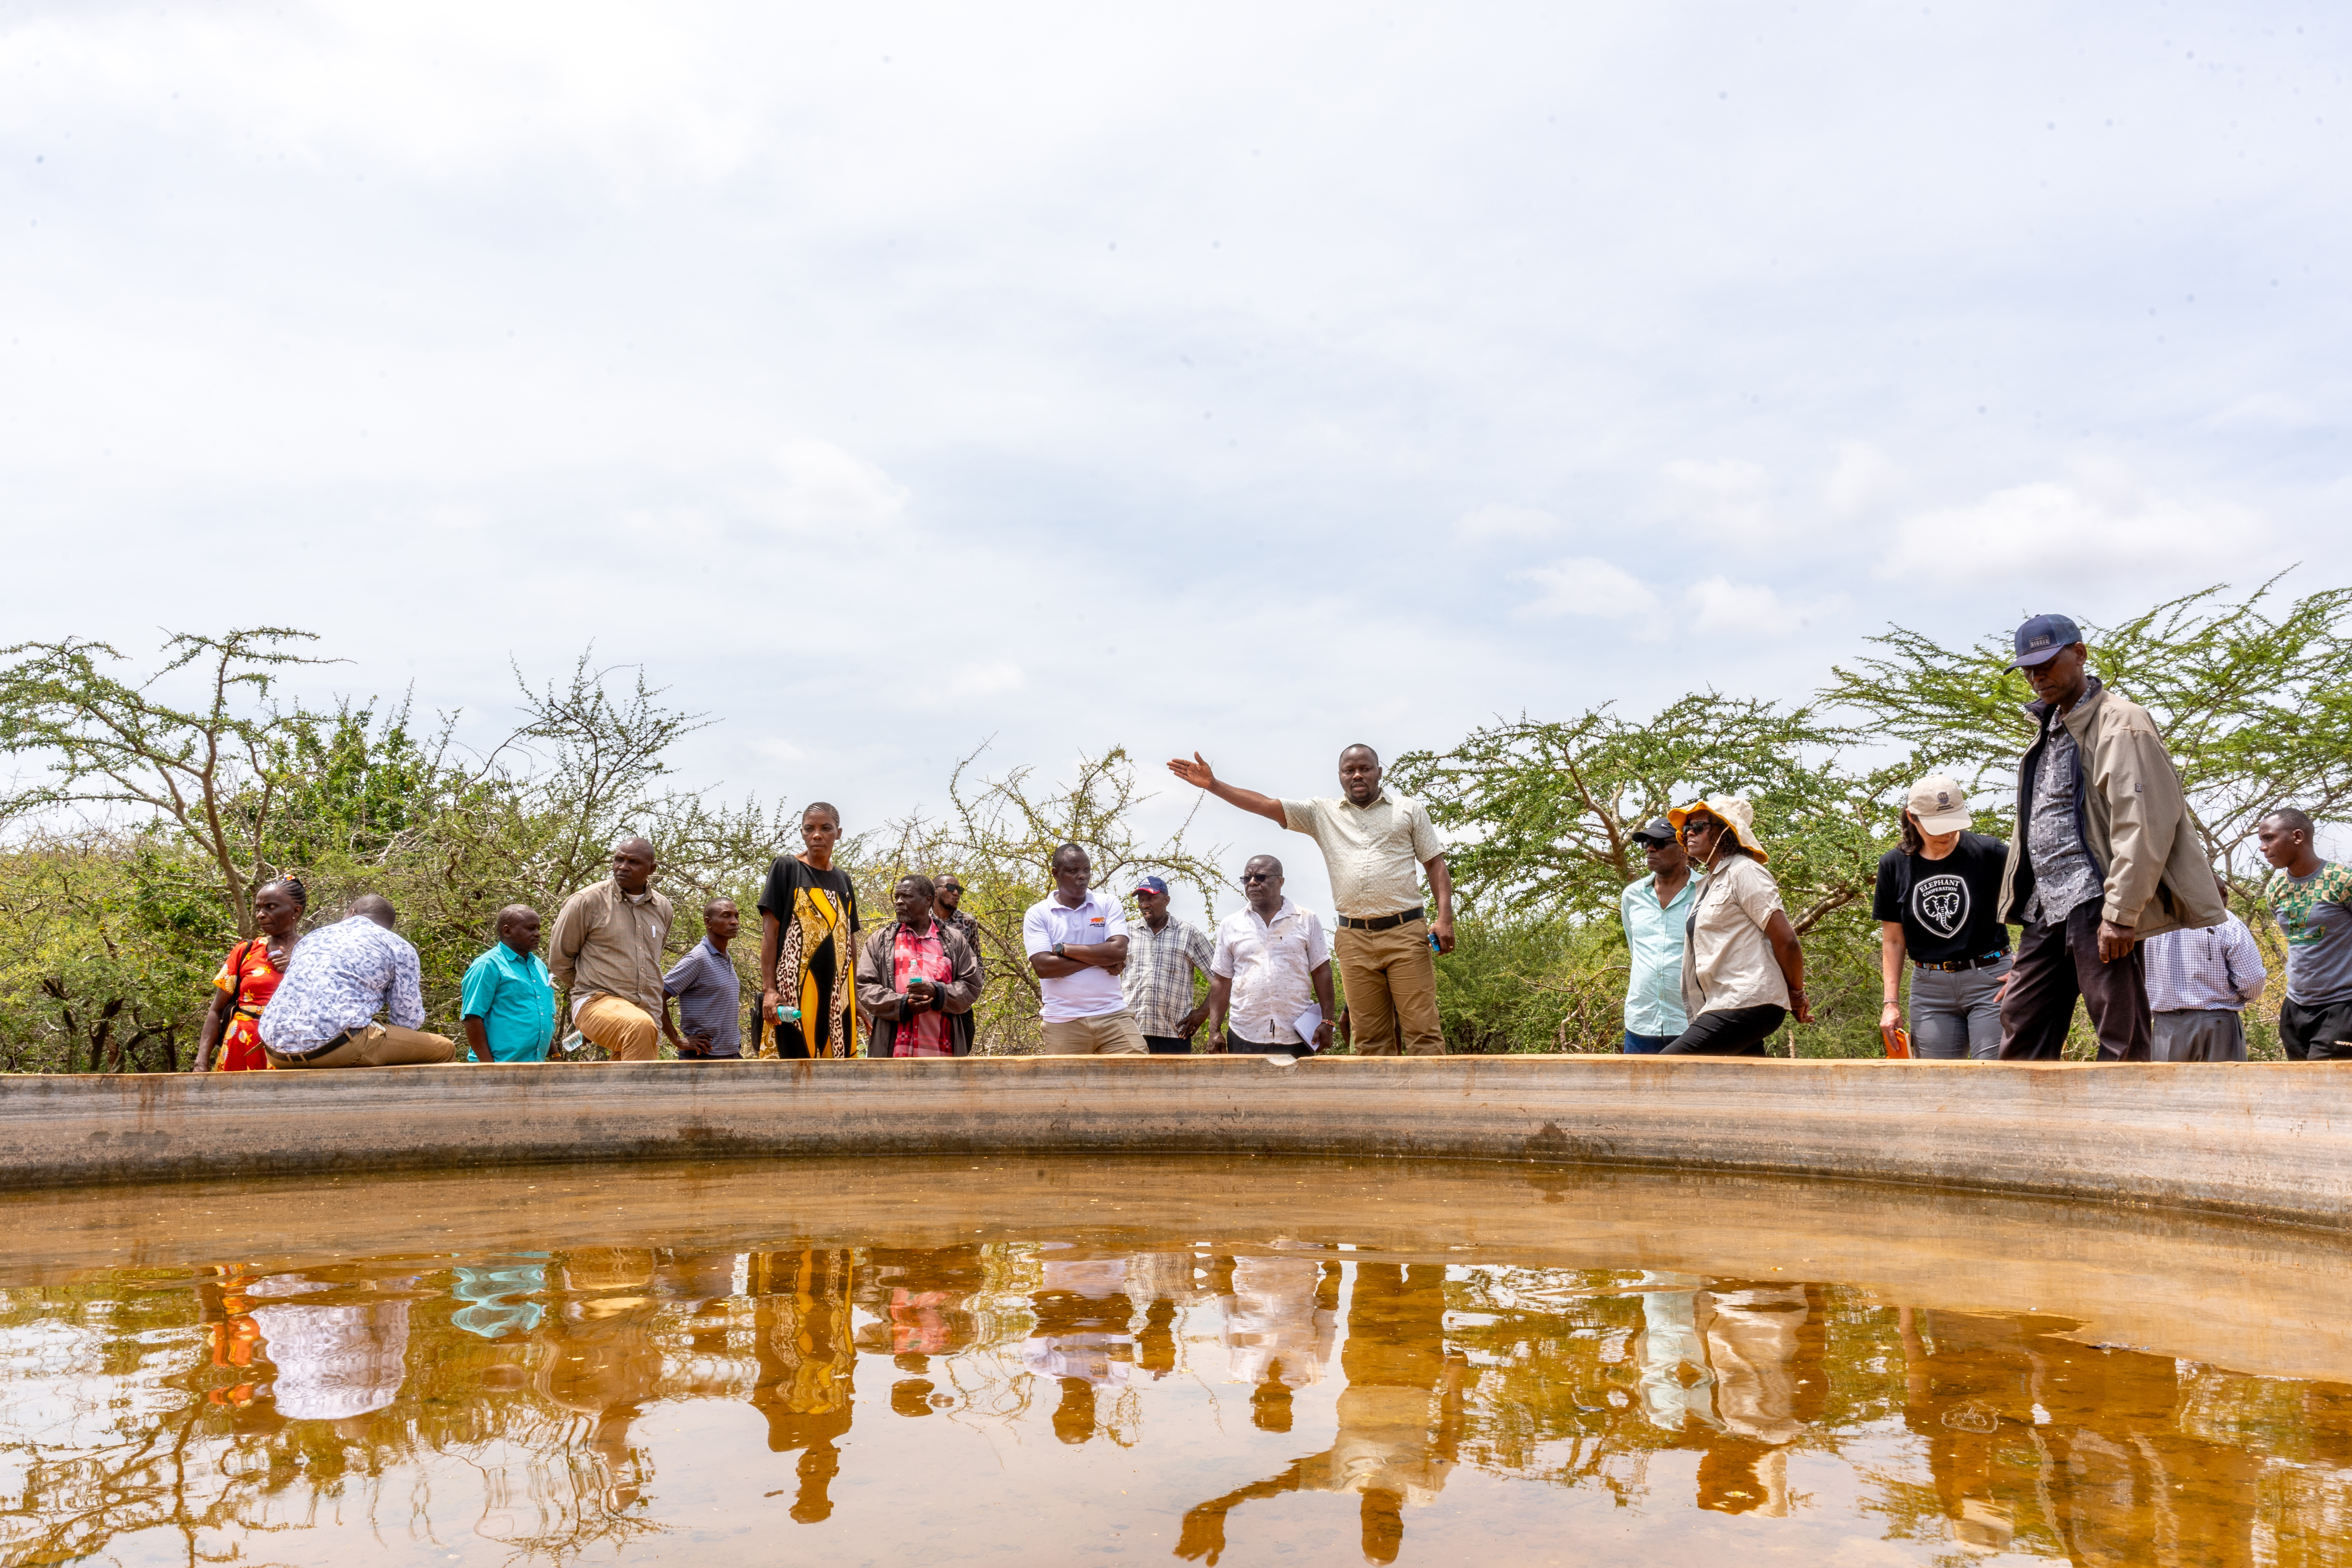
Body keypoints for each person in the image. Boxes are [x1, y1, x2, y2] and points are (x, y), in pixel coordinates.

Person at [1994, 614, 2226, 1061]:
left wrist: (2121, 913)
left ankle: (2126, 1128)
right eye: (2027, 668)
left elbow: (2142, 823)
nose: (2036, 676)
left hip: (2095, 898)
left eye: (2046, 662)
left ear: (2079, 654)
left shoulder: (2123, 722)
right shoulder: (2050, 725)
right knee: (2021, 1024)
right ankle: (2027, 1128)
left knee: (2119, 1031)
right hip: (2047, 901)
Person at [1168, 744, 1452, 1056]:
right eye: (1349, 770)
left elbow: (1435, 864)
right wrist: (1214, 785)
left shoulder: (1408, 810)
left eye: (1365, 769)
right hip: (1354, 937)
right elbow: (1265, 805)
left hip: (1405, 930)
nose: (1357, 775)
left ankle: (1431, 1106)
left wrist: (1444, 918)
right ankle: (1381, 1106)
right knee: (1369, 1039)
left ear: (1379, 772)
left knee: (1422, 1032)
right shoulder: (1323, 813)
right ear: (1340, 776)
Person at [1873, 776, 2013, 1061]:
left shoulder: (1991, 853)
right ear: (1913, 818)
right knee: (1938, 1084)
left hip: (1992, 980)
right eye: (1937, 827)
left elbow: (2039, 908)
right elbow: (1893, 941)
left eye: (1953, 823)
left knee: (1993, 1077)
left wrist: (2026, 968)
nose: (1947, 834)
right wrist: (1891, 1003)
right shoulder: (1894, 865)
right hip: (1930, 989)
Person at [1660, 799, 1811, 1056]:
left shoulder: (1745, 872)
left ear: (1725, 830)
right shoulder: (1708, 885)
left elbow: (1786, 940)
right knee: (1741, 1087)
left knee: (1666, 1067)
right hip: (1723, 1003)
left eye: (1698, 826)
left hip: (1746, 1001)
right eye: (1686, 829)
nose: (1689, 834)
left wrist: (1796, 995)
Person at [257, 894, 458, 1067]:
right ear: (387, 927)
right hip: (336, 1050)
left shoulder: (314, 937)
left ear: (351, 913)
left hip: (274, 1051)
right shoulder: (398, 945)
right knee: (444, 1049)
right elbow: (408, 1020)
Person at [547, 837, 675, 1063]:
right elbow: (560, 960)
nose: (623, 867)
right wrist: (593, 986)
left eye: (633, 862)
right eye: (619, 859)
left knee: (617, 1084)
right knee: (638, 1029)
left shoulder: (663, 907)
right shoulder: (587, 901)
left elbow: (653, 958)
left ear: (652, 869)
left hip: (647, 1011)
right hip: (595, 1002)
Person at [757, 803, 862, 1059]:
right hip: (795, 989)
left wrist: (854, 996)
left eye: (826, 828)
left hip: (839, 993)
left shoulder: (843, 880)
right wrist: (770, 990)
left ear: (838, 833)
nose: (817, 835)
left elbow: (849, 941)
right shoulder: (787, 868)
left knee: (837, 1068)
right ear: (802, 833)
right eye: (810, 829)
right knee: (793, 1065)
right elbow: (770, 934)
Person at [1205, 855, 1337, 1056]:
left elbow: (1321, 971)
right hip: (1244, 1032)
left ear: (1281, 881)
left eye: (1261, 877)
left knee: (1296, 1089)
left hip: (1298, 1033)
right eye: (1246, 879)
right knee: (1247, 1089)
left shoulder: (1306, 920)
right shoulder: (1230, 925)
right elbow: (1222, 980)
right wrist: (1214, 1031)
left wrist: (1327, 1022)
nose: (1252, 883)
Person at [1023, 843, 1147, 1055]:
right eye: (1073, 871)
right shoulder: (1038, 914)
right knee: (1066, 1088)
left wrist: (1064, 949)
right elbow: (1044, 968)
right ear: (1056, 873)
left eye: (1086, 870)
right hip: (1063, 1022)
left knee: (1140, 1077)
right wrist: (1102, 958)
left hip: (1113, 1016)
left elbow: (1118, 951)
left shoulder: (1108, 903)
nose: (1082, 876)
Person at [2258, 807, 2352, 1061]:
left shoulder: (2343, 881)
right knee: (2300, 1092)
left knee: (2328, 1091)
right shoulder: (2276, 889)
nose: (2263, 847)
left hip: (2341, 1006)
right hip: (2294, 1008)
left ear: (2297, 837)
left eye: (2269, 838)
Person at [856, 875, 983, 1058]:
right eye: (897, 897)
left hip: (943, 1053)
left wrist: (938, 993)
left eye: (906, 897)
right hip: (893, 1054)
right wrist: (902, 1004)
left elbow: (972, 986)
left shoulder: (954, 941)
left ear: (928, 901)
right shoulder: (880, 941)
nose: (899, 902)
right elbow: (865, 988)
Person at [194, 876, 309, 1072]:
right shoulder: (245, 951)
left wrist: (298, 965)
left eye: (271, 907)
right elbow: (217, 1010)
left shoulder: (315, 952)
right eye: (258, 908)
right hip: (239, 1047)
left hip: (291, 1049)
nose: (260, 915)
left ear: (296, 911)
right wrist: (201, 1063)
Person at [2142, 906, 2268, 1062]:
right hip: (2218, 1023)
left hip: (2166, 1028)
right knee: (2224, 1084)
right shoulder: (2224, 921)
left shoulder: (2146, 923)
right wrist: (2245, 997)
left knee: (2170, 1085)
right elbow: (2252, 980)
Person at [1619, 820, 1696, 1055]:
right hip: (1642, 1022)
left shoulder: (1708, 890)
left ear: (1684, 847)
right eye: (1647, 843)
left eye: (1660, 843)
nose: (1651, 849)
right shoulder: (1632, 896)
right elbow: (1636, 950)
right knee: (1639, 1092)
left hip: (1693, 1022)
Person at [1123, 874, 1215, 1054]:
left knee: (1174, 1083)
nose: (1145, 905)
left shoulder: (1188, 934)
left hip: (1174, 1034)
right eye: (1141, 900)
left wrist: (1202, 1013)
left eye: (1151, 898)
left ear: (1166, 900)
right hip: (1131, 1033)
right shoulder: (1126, 932)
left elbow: (1223, 978)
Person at [459, 904, 557, 1063]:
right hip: (500, 1066)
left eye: (539, 928)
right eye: (530, 928)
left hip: (536, 1065)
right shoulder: (488, 965)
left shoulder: (538, 965)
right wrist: (491, 1069)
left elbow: (542, 1015)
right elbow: (472, 1018)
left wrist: (556, 1056)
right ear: (507, 931)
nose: (538, 934)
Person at [662, 898, 746, 1060]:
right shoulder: (697, 959)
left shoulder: (725, 956)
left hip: (732, 1055)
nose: (735, 922)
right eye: (726, 916)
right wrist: (678, 1040)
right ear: (708, 922)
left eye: (736, 916)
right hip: (703, 1057)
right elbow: (658, 995)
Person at [934, 873, 985, 1055]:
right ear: (934, 891)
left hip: (959, 1002)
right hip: (930, 1002)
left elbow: (977, 961)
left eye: (960, 890)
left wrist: (970, 995)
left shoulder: (967, 922)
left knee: (960, 1059)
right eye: (950, 888)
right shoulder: (923, 920)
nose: (956, 893)